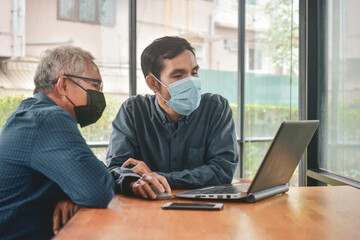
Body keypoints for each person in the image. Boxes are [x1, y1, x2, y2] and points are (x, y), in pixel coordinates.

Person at [0, 46, 138, 239]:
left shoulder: (30, 113)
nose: (99, 96)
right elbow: (97, 190)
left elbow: (86, 184)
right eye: (95, 86)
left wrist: (72, 193)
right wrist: (83, 187)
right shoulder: (49, 119)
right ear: (63, 85)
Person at [106, 36, 239, 193]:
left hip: (202, 210)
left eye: (194, 72)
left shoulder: (215, 108)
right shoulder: (133, 111)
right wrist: (134, 181)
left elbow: (222, 171)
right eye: (178, 76)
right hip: (147, 207)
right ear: (153, 83)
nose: (191, 82)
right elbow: (117, 168)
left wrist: (156, 178)